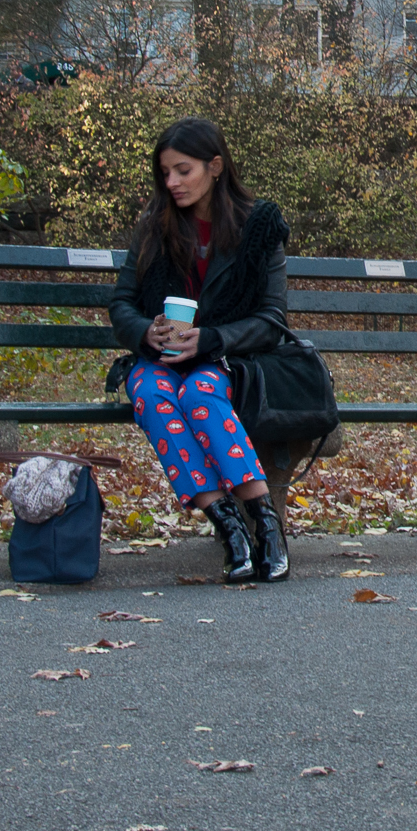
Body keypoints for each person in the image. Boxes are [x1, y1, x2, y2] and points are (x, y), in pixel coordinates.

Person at [106, 117, 292, 583]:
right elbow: (122, 303)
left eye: (182, 171)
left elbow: (272, 319)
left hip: (226, 359)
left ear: (215, 166)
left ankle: (266, 527)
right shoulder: (155, 225)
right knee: (150, 392)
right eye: (165, 173)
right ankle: (229, 530)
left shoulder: (259, 226)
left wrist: (210, 339)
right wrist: (145, 333)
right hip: (161, 359)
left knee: (199, 395)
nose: (171, 183)